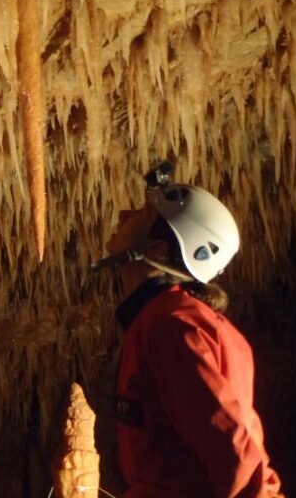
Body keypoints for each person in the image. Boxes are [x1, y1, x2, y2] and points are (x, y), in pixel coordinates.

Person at [95, 173, 282, 497]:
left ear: (156, 247)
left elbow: (232, 446)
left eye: (142, 212)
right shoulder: (181, 319)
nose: (124, 215)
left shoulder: (171, 325)